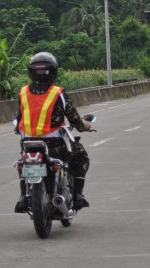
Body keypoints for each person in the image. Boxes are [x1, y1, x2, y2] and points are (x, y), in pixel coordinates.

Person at [13, 51, 93, 213]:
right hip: (54, 144)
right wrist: (83, 126)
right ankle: (78, 195)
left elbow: (19, 117)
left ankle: (23, 196)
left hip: (28, 143)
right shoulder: (58, 93)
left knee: (24, 163)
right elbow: (73, 117)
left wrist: (18, 128)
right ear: (54, 71)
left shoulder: (23, 93)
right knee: (81, 156)